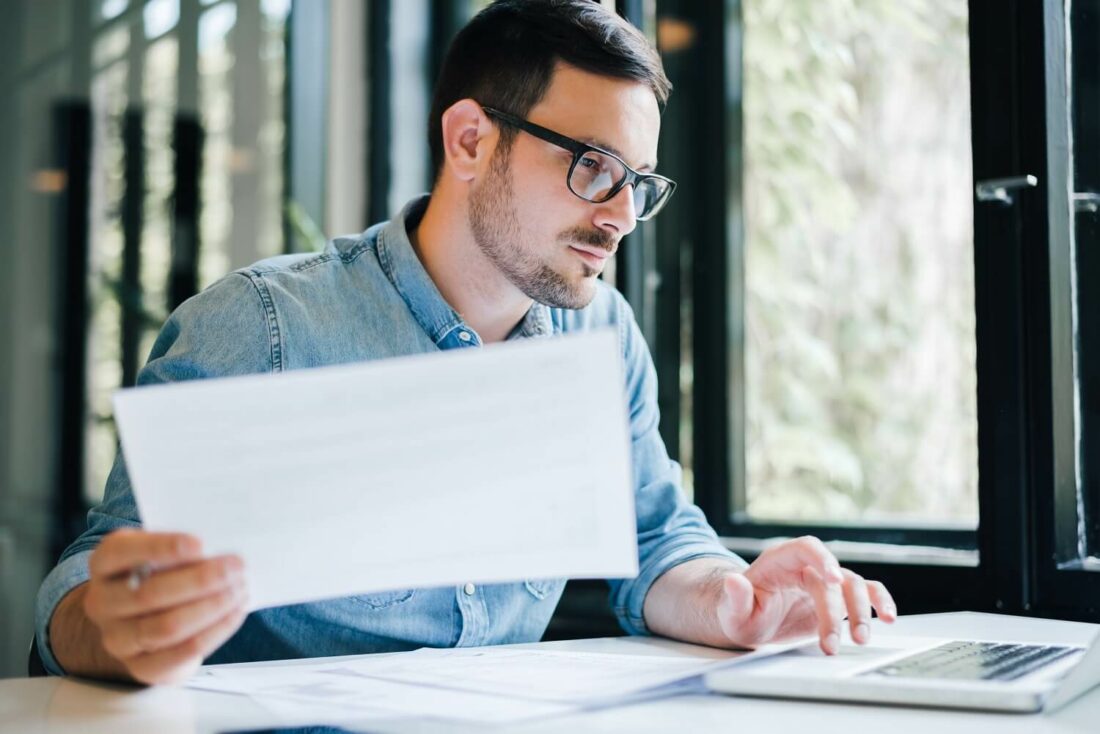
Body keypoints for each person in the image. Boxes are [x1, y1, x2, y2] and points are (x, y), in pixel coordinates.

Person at [36, 0, 896, 685]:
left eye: (638, 183)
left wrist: (734, 598)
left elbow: (652, 539)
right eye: (593, 166)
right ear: (471, 140)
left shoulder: (601, 333)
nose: (623, 215)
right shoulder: (262, 328)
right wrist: (115, 628)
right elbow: (86, 587)